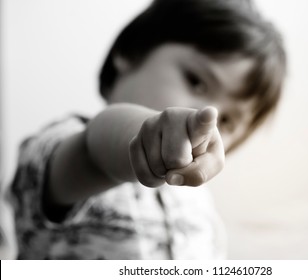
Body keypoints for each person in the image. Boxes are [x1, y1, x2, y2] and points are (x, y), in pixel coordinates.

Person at [10, 0, 286, 259]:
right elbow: (97, 148)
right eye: (196, 82)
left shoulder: (200, 206)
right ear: (131, 52)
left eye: (227, 121)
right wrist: (143, 131)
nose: (208, 118)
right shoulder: (68, 147)